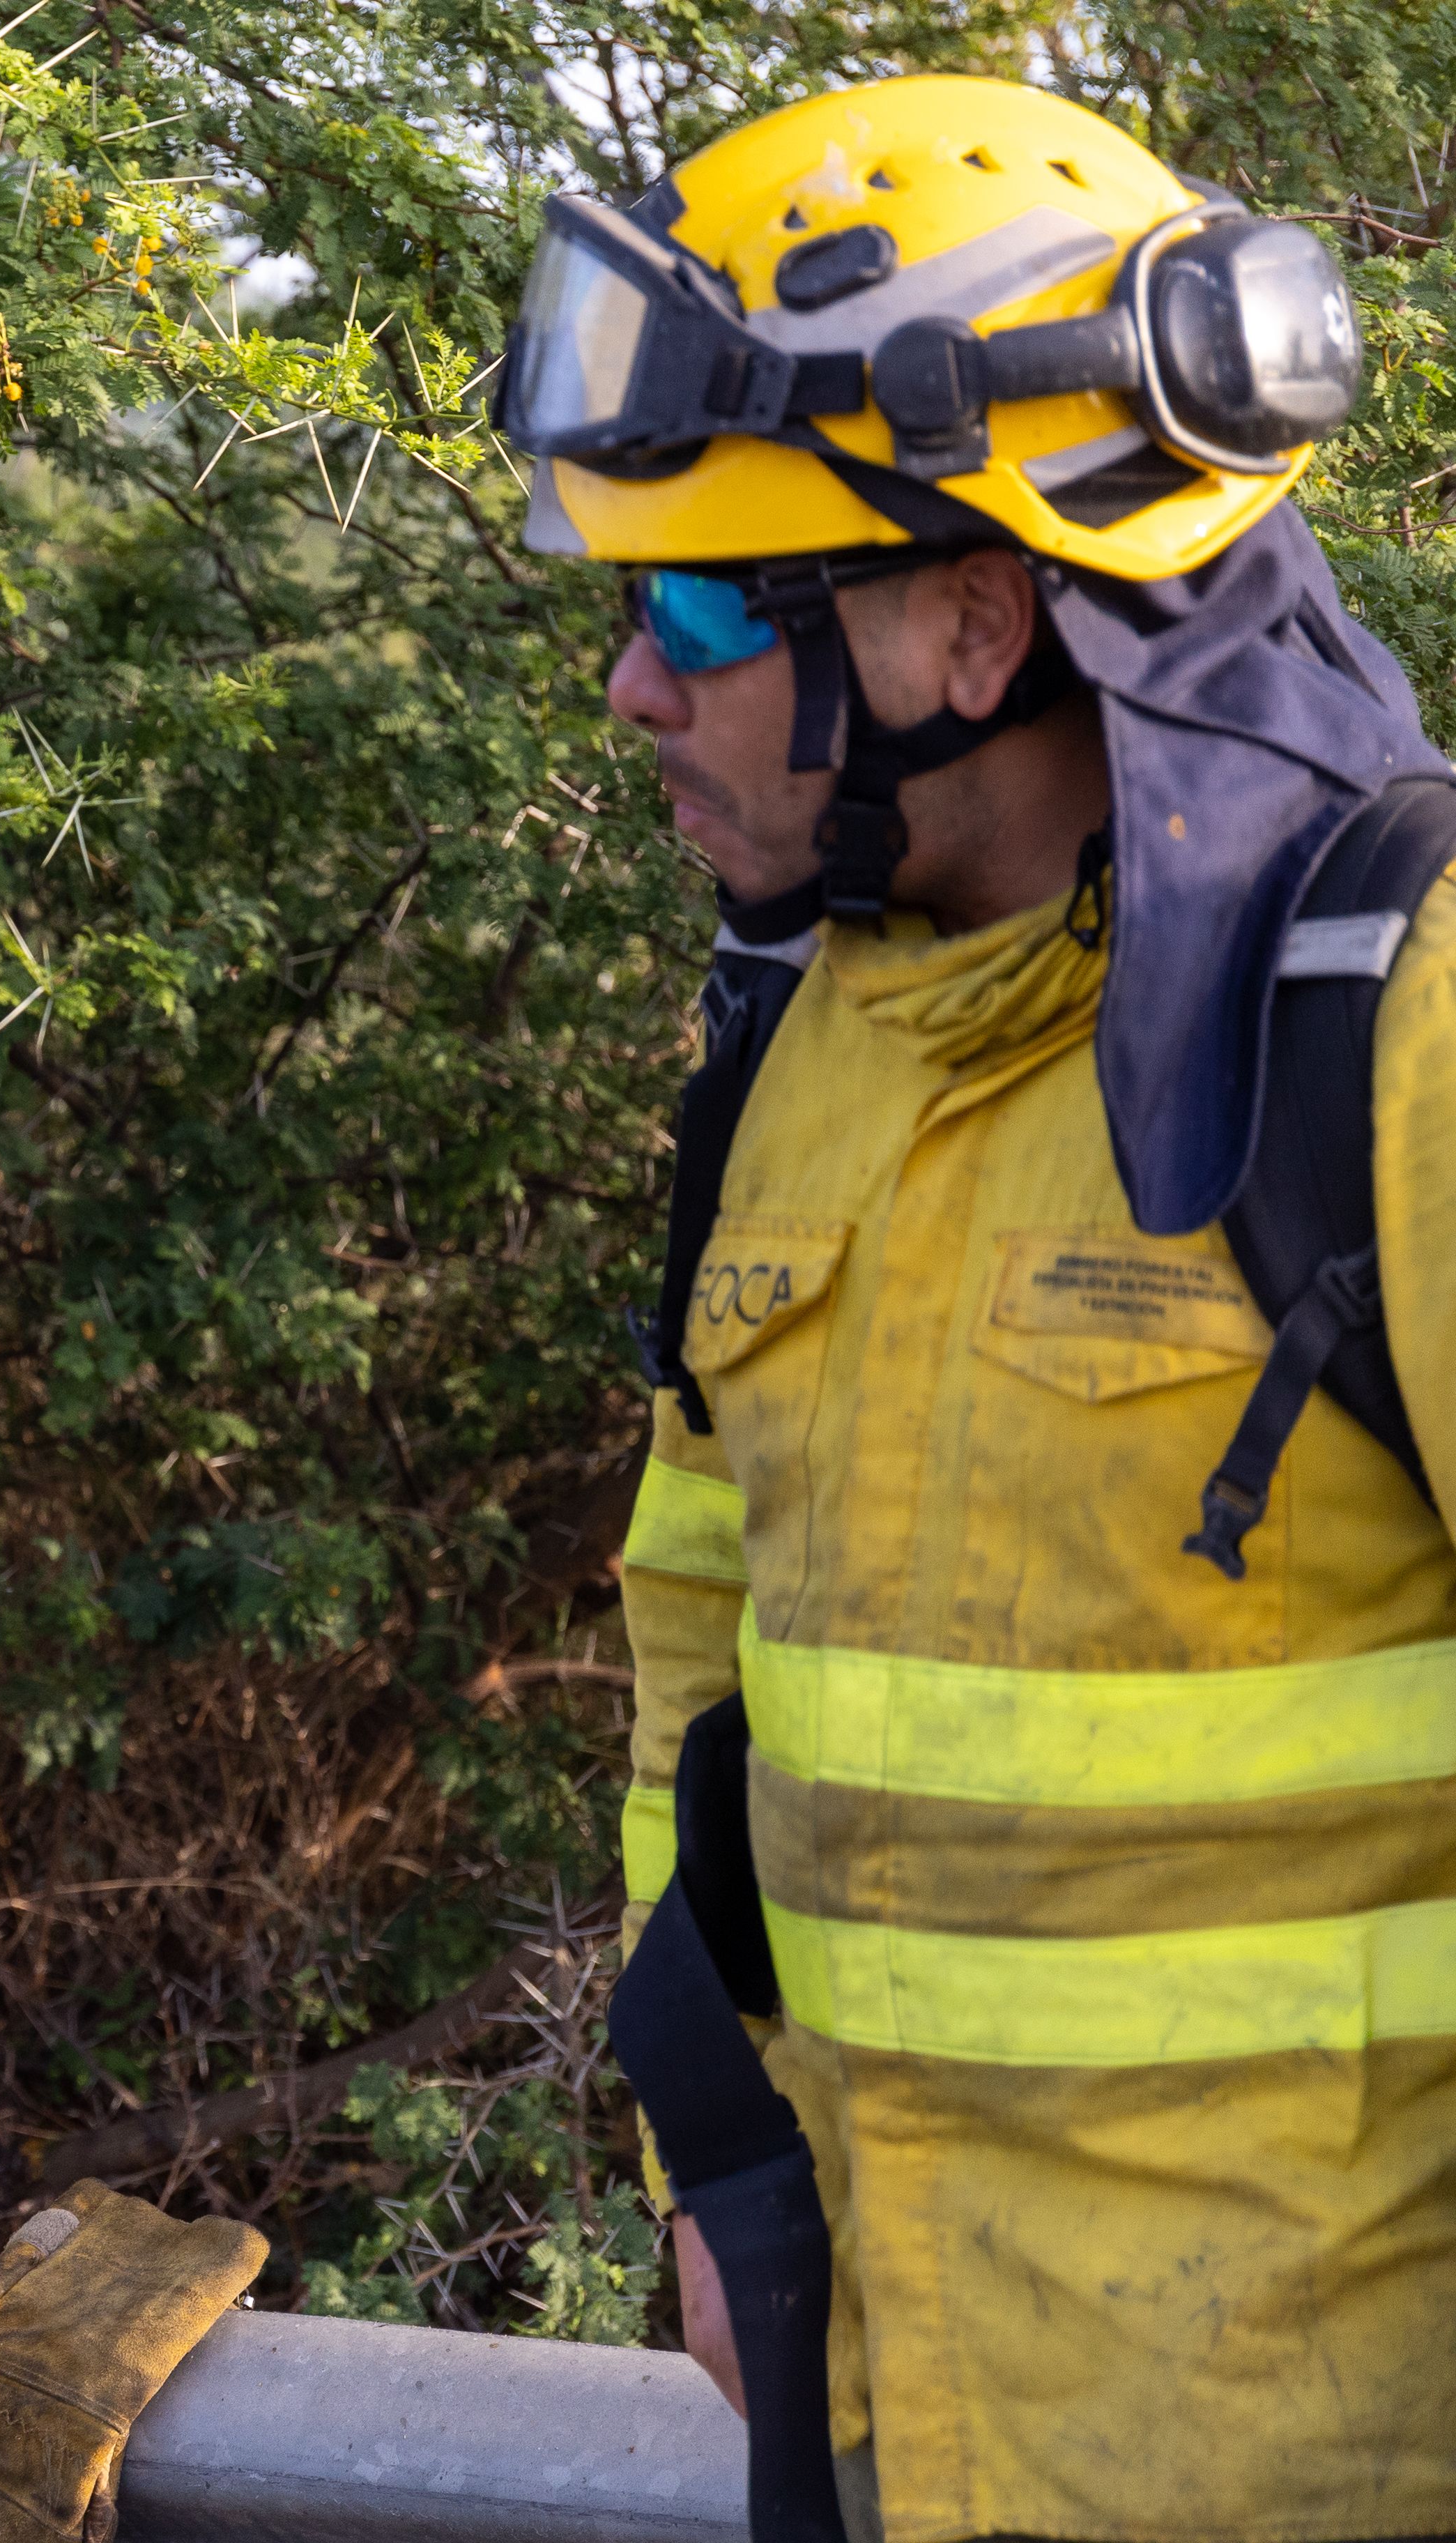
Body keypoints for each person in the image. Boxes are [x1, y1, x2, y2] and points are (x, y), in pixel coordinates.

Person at [502, 72, 1456, 2543]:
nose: (633, 690)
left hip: (1319, 2453)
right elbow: (703, 1633)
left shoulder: (1401, 1015)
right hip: (881, 2403)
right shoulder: (806, 1032)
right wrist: (706, 2156)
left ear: (974, 615)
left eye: (702, 609)